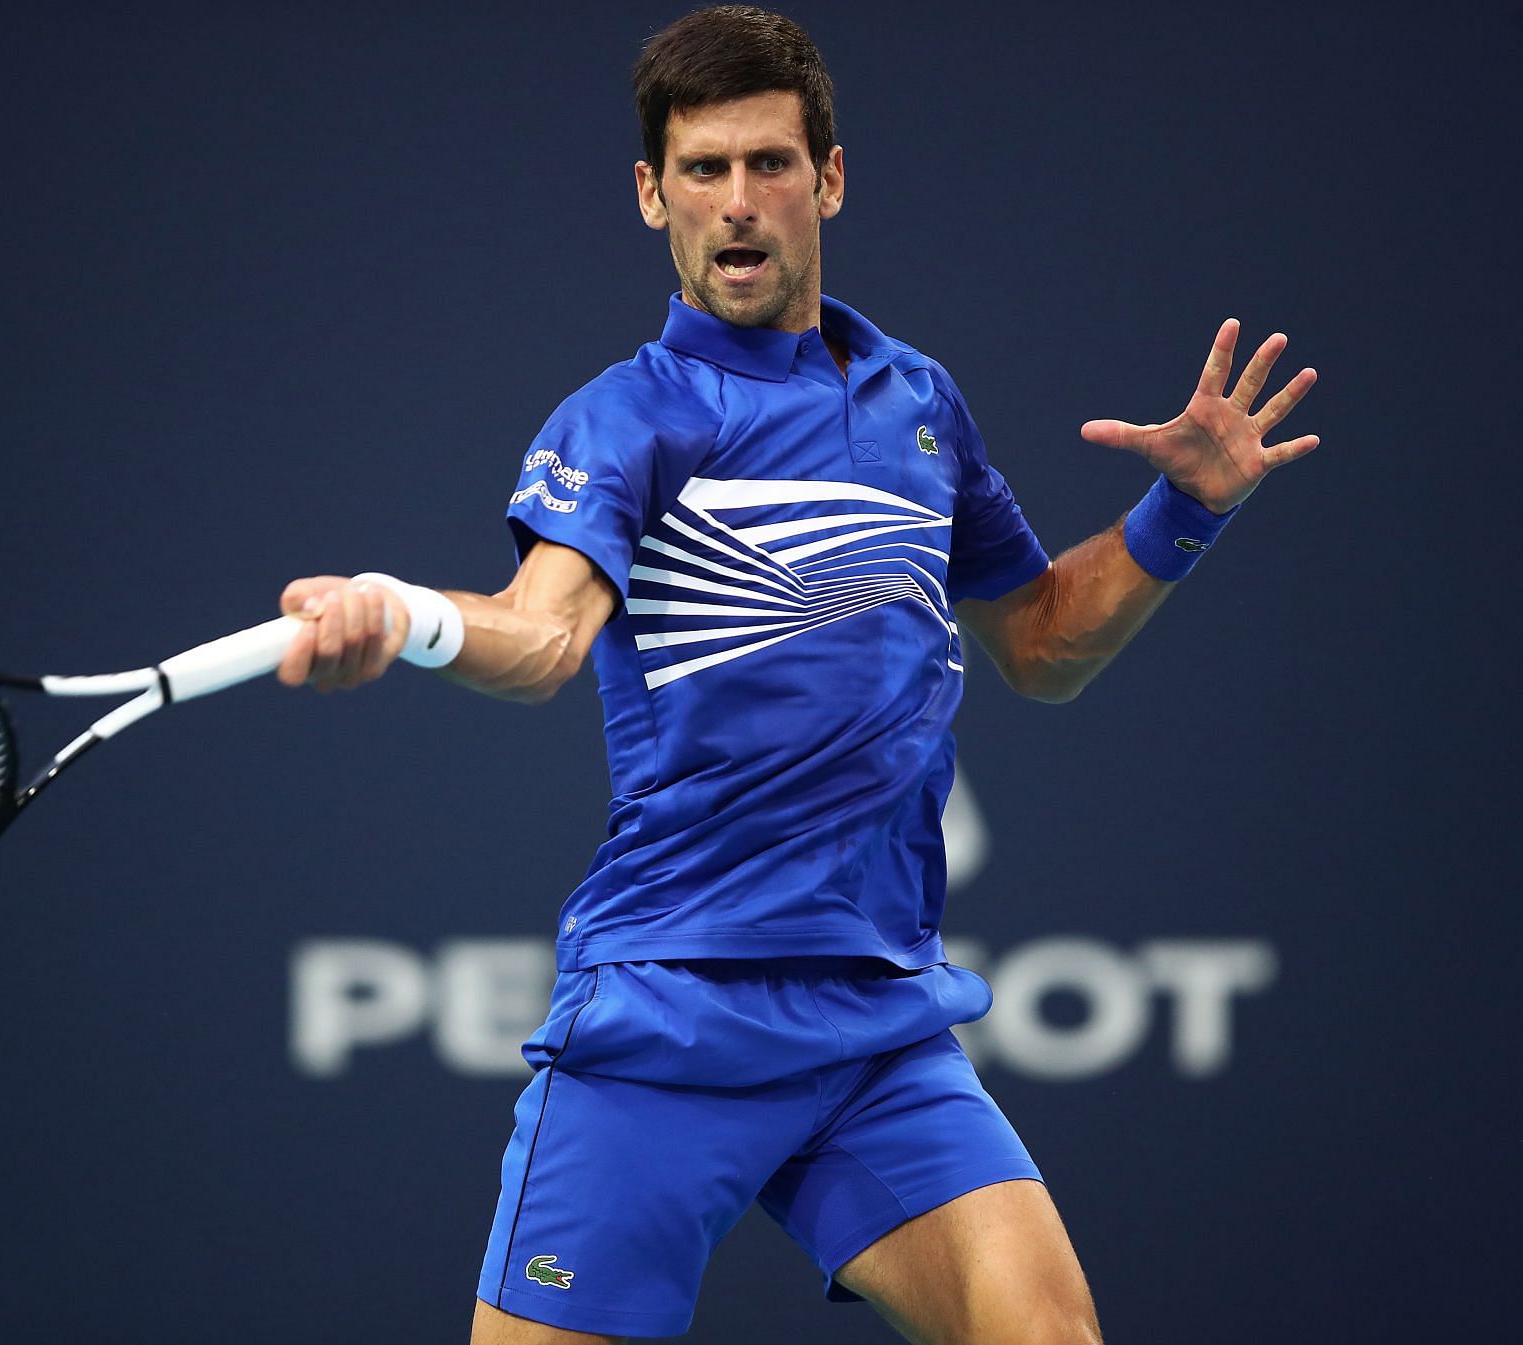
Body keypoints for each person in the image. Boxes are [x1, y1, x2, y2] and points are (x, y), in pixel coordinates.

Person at [273, 7, 1318, 1343]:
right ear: (653, 196)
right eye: (701, 171)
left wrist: (1184, 516)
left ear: (829, 176)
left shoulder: (918, 403)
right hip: (669, 1013)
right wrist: (405, 613)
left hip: (875, 1022)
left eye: (770, 163)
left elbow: (1043, 641)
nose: (738, 204)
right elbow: (539, 640)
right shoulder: (628, 418)